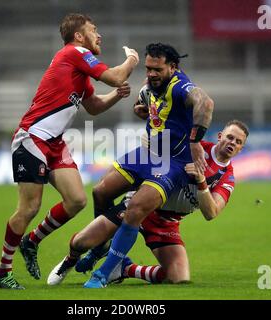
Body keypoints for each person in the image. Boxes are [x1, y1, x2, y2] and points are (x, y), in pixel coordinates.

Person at [0, 13, 140, 289]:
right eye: (94, 30)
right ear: (79, 36)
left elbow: (94, 106)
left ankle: (32, 241)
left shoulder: (78, 69)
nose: (100, 35)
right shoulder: (75, 52)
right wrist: (132, 59)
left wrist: (115, 96)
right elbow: (115, 75)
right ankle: (3, 272)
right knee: (29, 208)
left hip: (55, 143)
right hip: (32, 137)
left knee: (76, 200)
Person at [47, 120, 249, 285]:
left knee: (178, 277)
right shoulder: (194, 147)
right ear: (220, 136)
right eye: (230, 137)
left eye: (238, 142)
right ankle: (71, 259)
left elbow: (211, 212)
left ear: (241, 148)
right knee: (81, 242)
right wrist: (152, 137)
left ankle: (126, 269)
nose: (233, 143)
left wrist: (201, 181)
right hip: (140, 204)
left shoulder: (227, 178)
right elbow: (161, 142)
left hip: (167, 222)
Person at [80, 42, 214, 288]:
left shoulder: (181, 86)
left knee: (135, 210)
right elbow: (146, 99)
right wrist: (140, 109)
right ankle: (103, 247)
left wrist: (195, 141)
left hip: (170, 161)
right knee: (100, 191)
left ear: (172, 67)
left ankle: (105, 273)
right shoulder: (153, 84)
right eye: (148, 68)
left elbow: (205, 104)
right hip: (148, 152)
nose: (151, 73)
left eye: (157, 69)